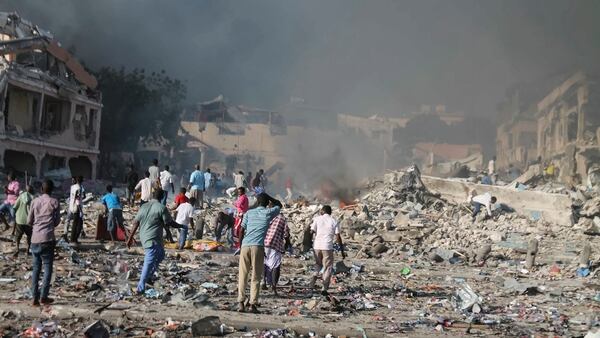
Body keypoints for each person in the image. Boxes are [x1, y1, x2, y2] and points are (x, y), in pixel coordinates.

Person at [237, 193, 281, 313]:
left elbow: (241, 230)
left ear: (257, 202)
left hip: (245, 245)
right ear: (267, 204)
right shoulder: (268, 213)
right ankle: (252, 305)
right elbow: (279, 205)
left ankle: (241, 303)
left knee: (243, 275)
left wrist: (241, 246)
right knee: (256, 277)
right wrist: (268, 196)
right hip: (258, 247)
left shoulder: (249, 213)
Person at [127, 189, 174, 294]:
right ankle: (140, 287)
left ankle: (148, 276)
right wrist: (171, 232)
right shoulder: (162, 208)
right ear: (162, 197)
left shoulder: (143, 207)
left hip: (145, 237)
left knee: (161, 255)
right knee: (148, 262)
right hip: (152, 239)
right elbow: (167, 223)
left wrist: (130, 237)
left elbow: (135, 223)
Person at [28, 180, 60, 306]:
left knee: (36, 269)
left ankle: (34, 298)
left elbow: (29, 220)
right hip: (47, 239)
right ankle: (43, 296)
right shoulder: (54, 202)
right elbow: (56, 222)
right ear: (52, 190)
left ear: (41, 189)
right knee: (47, 268)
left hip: (35, 239)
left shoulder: (34, 201)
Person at [309, 205, 345, 295]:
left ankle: (312, 284)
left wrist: (309, 243)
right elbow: (338, 236)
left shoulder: (317, 219)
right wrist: (342, 250)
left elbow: (311, 232)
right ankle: (324, 288)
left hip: (317, 246)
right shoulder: (334, 221)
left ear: (323, 211)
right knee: (327, 267)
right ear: (330, 212)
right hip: (327, 247)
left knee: (318, 265)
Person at [263, 203, 289, 296]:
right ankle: (273, 287)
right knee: (275, 266)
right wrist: (287, 244)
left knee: (265, 262)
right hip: (275, 244)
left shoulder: (267, 216)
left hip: (264, 243)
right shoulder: (282, 218)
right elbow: (286, 234)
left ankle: (264, 282)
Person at [13, 185, 34, 257]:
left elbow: (15, 207)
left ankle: (17, 249)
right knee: (29, 236)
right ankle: (27, 250)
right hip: (29, 220)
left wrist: (15, 216)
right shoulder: (34, 198)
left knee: (18, 236)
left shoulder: (21, 196)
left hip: (19, 219)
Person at [68, 176, 84, 243]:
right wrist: (80, 210)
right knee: (79, 224)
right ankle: (74, 239)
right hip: (77, 207)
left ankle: (72, 239)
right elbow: (77, 199)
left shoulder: (72, 187)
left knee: (75, 224)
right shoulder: (79, 188)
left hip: (71, 206)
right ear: (82, 181)